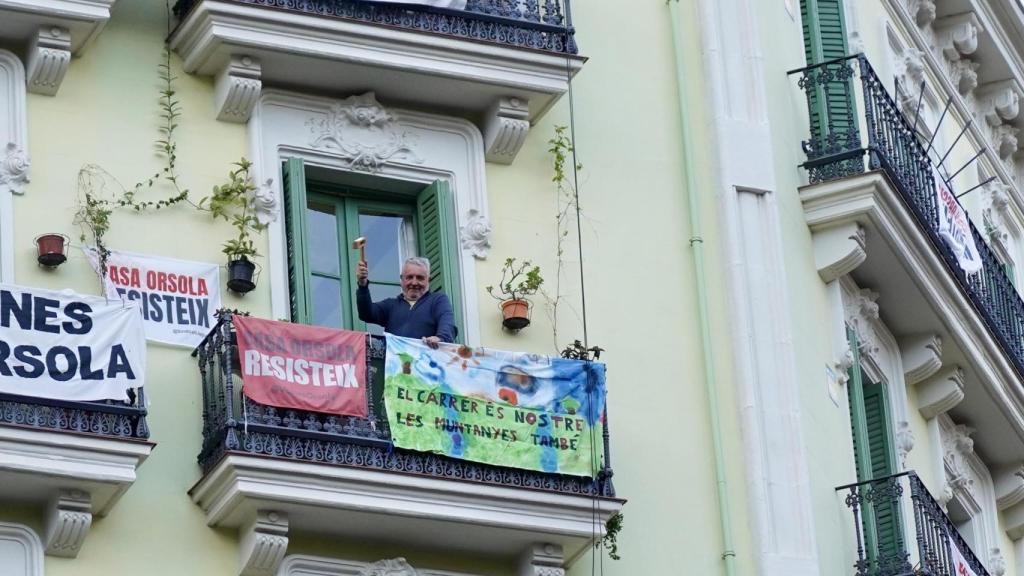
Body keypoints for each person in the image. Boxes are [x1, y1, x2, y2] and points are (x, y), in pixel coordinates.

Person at [356, 256, 457, 346]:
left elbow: (447, 324)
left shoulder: (438, 300)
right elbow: (366, 313)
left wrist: (440, 338)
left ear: (428, 280)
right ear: (402, 279)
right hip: (395, 365)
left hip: (424, 364)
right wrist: (362, 284)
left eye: (420, 278)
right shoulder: (391, 305)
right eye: (409, 277)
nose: (414, 282)